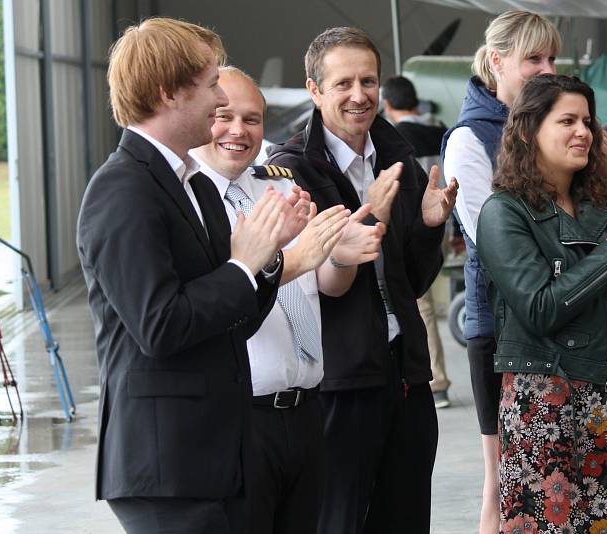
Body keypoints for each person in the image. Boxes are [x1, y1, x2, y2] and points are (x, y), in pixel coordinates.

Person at [76, 18, 304, 534]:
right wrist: (242, 265)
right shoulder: (123, 190)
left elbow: (229, 321)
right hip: (167, 468)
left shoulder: (191, 186)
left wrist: (264, 261)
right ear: (168, 94)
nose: (220, 98)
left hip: (215, 461)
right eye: (209, 84)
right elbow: (160, 326)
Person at [266, 26, 458, 534]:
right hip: (341, 384)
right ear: (314, 90)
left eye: (368, 81)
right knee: (338, 520)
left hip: (406, 378)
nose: (359, 95)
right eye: (343, 83)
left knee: (407, 517)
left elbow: (412, 280)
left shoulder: (398, 159)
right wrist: (364, 222)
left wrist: (430, 229)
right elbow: (312, 287)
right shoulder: (291, 173)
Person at [191, 66, 386, 534]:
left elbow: (326, 286)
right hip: (243, 417)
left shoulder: (280, 186)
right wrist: (296, 259)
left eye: (253, 120)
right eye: (224, 116)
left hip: (306, 412)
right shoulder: (187, 201)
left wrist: (342, 257)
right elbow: (219, 301)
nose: (239, 131)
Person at [477, 73, 607, 533]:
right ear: (528, 130)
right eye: (567, 120)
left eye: (587, 120)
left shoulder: (600, 203)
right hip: (549, 407)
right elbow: (540, 308)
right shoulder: (504, 212)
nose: (584, 131)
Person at [439, 10, 561, 532]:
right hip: (503, 328)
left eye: (552, 58)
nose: (547, 68)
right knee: (504, 487)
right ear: (496, 61)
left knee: (561, 483)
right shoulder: (469, 139)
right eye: (533, 58)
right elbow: (498, 244)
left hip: (562, 321)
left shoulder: (553, 126)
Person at [382, 75, 451, 409]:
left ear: (388, 104)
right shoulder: (439, 130)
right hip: (444, 222)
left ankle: (436, 380)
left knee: (419, 303)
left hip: (415, 230)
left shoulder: (395, 140)